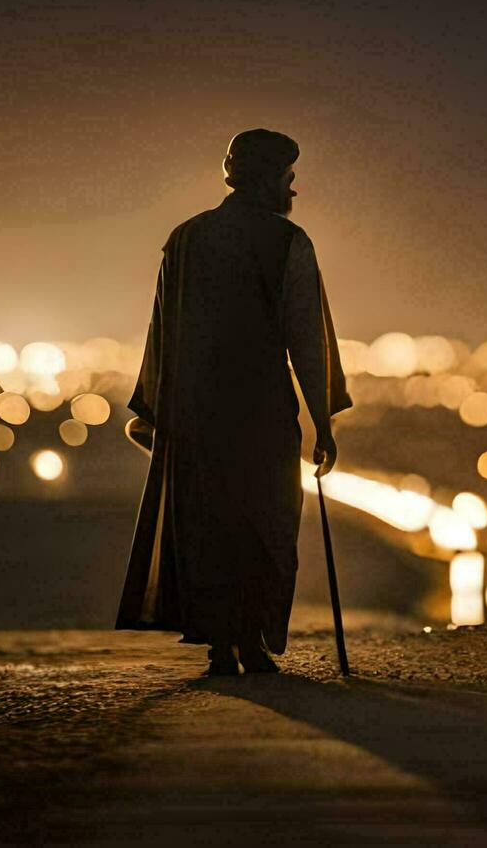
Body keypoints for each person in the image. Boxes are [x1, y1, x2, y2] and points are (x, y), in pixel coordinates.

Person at [115, 128, 352, 676]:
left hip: (195, 416)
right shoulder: (288, 243)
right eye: (288, 181)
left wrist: (156, 411)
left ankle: (221, 643)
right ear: (269, 179)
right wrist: (324, 421)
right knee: (264, 525)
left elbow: (160, 334)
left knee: (207, 527)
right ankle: (250, 639)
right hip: (261, 416)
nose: (293, 194)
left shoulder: (185, 239)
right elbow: (308, 341)